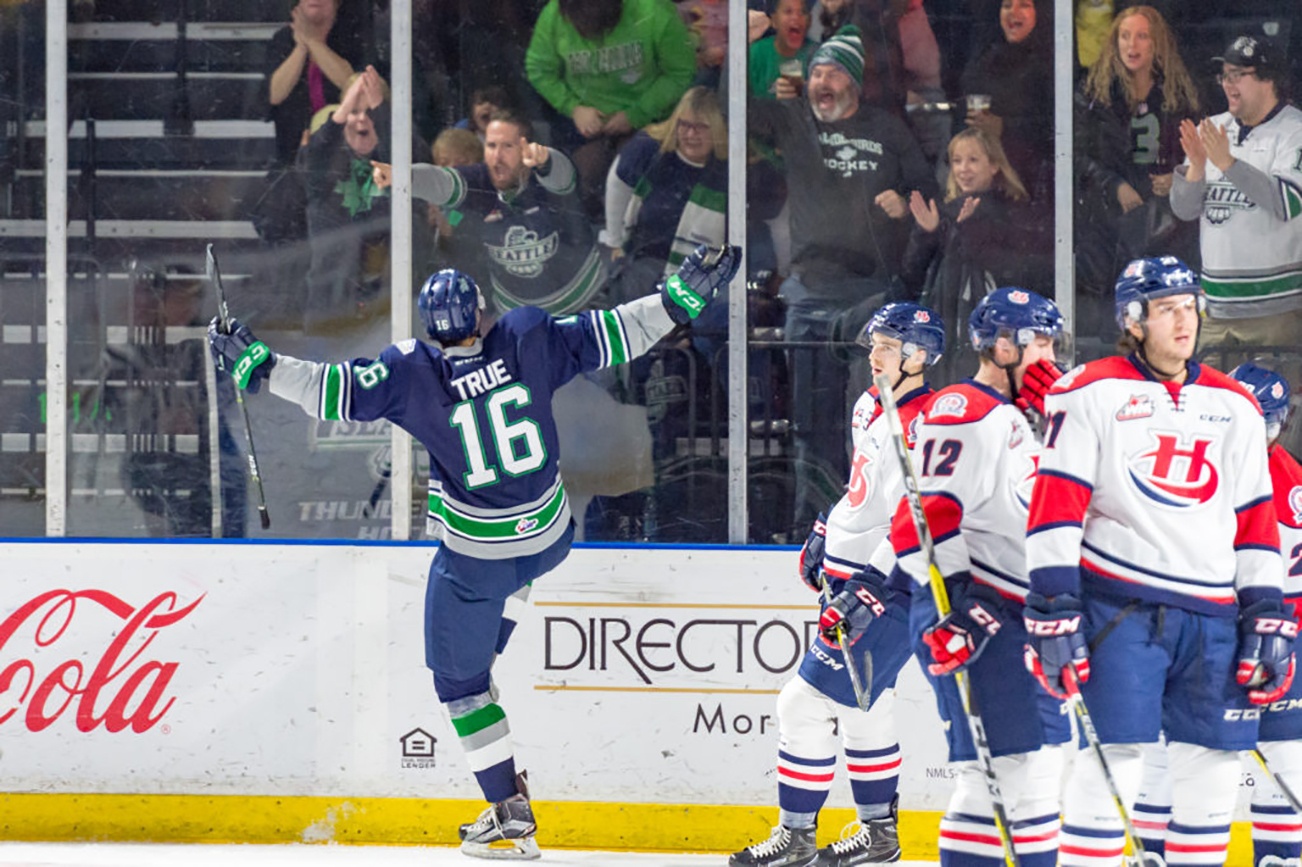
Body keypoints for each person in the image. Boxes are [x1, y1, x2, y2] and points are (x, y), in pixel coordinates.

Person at [206, 244, 741, 860]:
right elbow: (617, 331)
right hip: (550, 538)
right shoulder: (526, 336)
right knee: (506, 593)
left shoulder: (411, 372)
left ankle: (509, 817)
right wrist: (678, 300)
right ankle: (494, 628)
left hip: (476, 563)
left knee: (461, 685)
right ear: (482, 314)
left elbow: (331, 390)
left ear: (431, 329)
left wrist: (258, 366)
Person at [1023, 256, 1290, 867]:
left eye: (1190, 306)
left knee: (1213, 772)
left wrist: (1267, 612)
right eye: (1167, 308)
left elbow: (1255, 521)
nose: (1184, 320)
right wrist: (1054, 601)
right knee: (1112, 762)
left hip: (1214, 618)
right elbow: (1057, 502)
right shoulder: (1087, 389)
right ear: (1133, 319)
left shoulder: (1235, 405)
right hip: (1120, 610)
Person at [729, 302, 944, 867]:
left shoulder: (927, 428)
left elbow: (914, 520)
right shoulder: (870, 402)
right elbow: (862, 492)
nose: (874, 356)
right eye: (874, 345)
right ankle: (879, 835)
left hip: (888, 589)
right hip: (854, 578)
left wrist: (868, 588)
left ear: (920, 357)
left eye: (889, 348)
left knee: (801, 705)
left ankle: (796, 837)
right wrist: (827, 527)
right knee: (865, 709)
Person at [889, 287, 1071, 867]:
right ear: (1000, 346)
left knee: (1036, 771)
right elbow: (917, 522)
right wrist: (959, 605)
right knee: (1002, 773)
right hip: (977, 614)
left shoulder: (1023, 417)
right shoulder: (966, 412)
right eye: (1037, 342)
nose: (1049, 355)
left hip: (1020, 616)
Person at [748, 24, 937, 534]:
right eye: (814, 73)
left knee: (874, 422)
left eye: (831, 72)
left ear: (853, 81)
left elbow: (927, 190)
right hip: (810, 295)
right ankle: (813, 530)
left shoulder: (888, 128)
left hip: (870, 297)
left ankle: (873, 529)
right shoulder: (795, 122)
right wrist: (741, 50)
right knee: (812, 429)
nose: (820, 81)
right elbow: (735, 111)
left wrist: (903, 198)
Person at [1130, 361, 1302, 867]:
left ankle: (1278, 857)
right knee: (1169, 757)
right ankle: (1158, 856)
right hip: (1199, 635)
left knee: (1284, 758)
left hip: (1266, 640)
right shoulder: (1181, 467)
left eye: (1263, 423)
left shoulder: (1286, 488)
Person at [1169, 33, 1302, 456]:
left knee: (1274, 426)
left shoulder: (1294, 132)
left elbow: (1286, 203)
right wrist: (1196, 168)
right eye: (1225, 75)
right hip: (1217, 311)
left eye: (1240, 75)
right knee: (1206, 420)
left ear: (1269, 81)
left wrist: (1226, 162)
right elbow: (1184, 210)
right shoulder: (1216, 129)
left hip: (1275, 312)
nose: (1229, 84)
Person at [372, 109, 605, 316]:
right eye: (491, 146)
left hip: (583, 302)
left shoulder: (545, 175)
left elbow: (562, 176)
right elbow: (442, 181)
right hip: (518, 316)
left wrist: (545, 160)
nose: (497, 156)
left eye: (508, 146)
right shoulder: (481, 179)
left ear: (528, 148)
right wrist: (404, 176)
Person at [1074, 5, 1200, 335]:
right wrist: (1113, 184)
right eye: (1125, 36)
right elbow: (1073, 154)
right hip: (1107, 225)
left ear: (1157, 43)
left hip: (1165, 224)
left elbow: (1201, 149)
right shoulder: (1094, 94)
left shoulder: (1179, 94)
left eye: (1142, 36)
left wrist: (1179, 177)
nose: (1132, 45)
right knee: (1112, 318)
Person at [525, 0, 697, 219]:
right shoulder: (555, 14)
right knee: (574, 184)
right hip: (582, 123)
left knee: (635, 176)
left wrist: (637, 114)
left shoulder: (654, 10)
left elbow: (681, 72)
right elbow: (538, 69)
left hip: (650, 119)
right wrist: (573, 108)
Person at [903, 127, 1046, 387]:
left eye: (973, 160)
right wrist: (927, 233)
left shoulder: (1014, 211)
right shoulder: (945, 211)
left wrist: (971, 232)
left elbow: (1017, 269)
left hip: (990, 330)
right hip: (947, 325)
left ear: (994, 165)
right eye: (957, 161)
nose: (963, 169)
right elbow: (913, 273)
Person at [600, 86, 728, 299]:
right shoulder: (649, 149)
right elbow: (618, 182)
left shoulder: (735, 168)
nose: (690, 134)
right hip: (649, 263)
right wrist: (615, 241)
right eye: (684, 125)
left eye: (701, 127)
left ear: (718, 129)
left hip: (710, 273)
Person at [960, 0, 1053, 203]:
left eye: (1024, 5)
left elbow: (1054, 128)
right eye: (1007, 5)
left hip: (1030, 180)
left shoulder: (1050, 63)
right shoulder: (984, 57)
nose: (1014, 12)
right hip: (981, 177)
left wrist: (1005, 127)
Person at [263, 0, 361, 168]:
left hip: (345, 156)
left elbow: (354, 85)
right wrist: (301, 47)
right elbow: (274, 95)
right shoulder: (283, 39)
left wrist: (313, 41)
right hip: (292, 157)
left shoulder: (353, 36)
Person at [748, 0, 816, 100]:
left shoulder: (818, 55)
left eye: (802, 12)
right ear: (774, 21)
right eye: (788, 12)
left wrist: (805, 91)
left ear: (809, 21)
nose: (795, 18)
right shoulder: (755, 53)